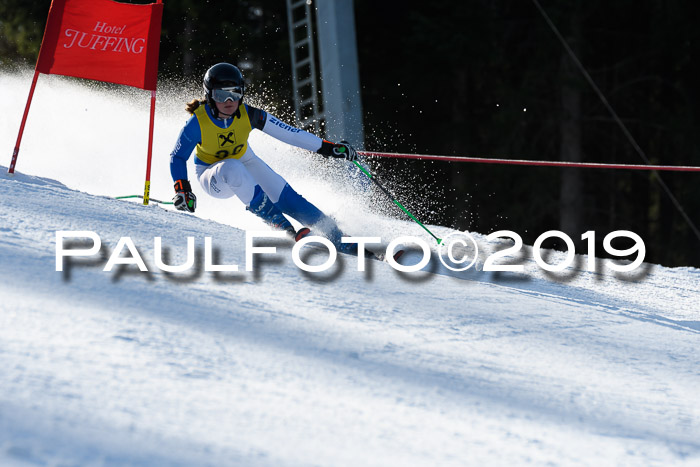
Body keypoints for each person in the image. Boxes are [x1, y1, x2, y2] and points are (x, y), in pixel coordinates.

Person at [169, 62, 359, 250]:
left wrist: (328, 148)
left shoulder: (249, 114)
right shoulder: (197, 123)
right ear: (210, 95)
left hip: (245, 161)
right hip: (212, 176)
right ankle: (286, 229)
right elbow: (177, 157)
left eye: (234, 93)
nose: (229, 101)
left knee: (287, 196)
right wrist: (183, 189)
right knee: (231, 168)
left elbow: (290, 134)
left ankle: (337, 236)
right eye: (221, 95)